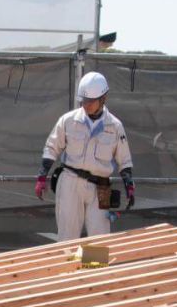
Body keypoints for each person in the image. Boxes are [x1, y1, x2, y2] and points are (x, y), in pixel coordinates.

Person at [36, 72, 135, 241]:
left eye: (91, 101)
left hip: (102, 187)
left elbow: (124, 160)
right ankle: (67, 267)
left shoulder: (115, 126)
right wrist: (42, 176)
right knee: (67, 235)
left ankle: (96, 268)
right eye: (84, 100)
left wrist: (129, 187)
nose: (86, 104)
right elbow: (51, 148)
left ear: (103, 98)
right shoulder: (68, 121)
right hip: (70, 181)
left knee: (100, 238)